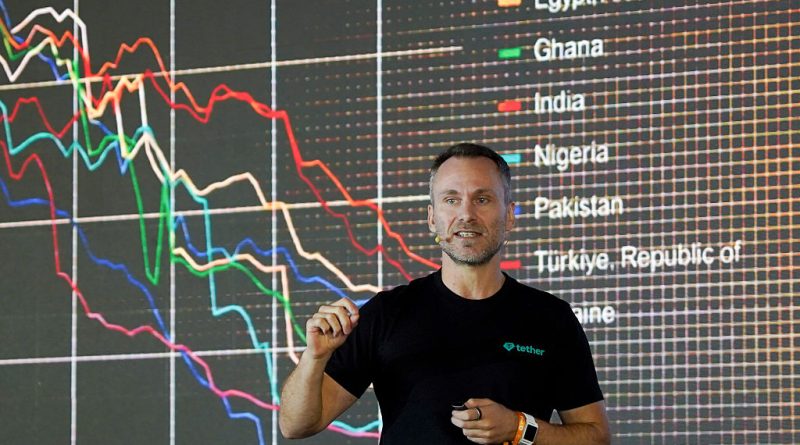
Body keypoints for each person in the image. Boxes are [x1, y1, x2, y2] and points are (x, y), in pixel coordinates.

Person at [279, 143, 611, 444]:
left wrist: (519, 429)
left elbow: (596, 437)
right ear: (432, 219)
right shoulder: (387, 313)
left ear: (509, 216)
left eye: (482, 199)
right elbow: (295, 426)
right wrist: (314, 359)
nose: (466, 214)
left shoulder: (551, 318)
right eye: (451, 200)